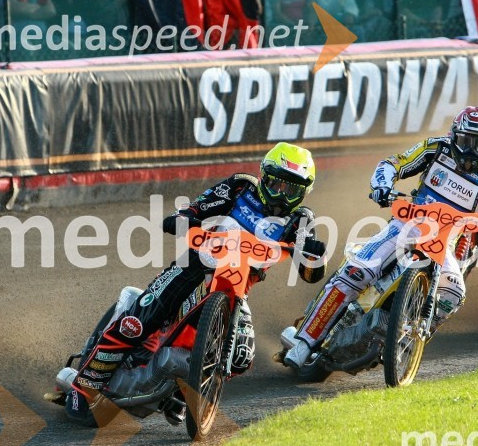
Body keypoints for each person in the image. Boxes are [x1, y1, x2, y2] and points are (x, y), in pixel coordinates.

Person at [64, 143, 328, 426]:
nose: (281, 195)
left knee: (241, 356)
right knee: (138, 322)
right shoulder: (241, 187)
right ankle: (84, 387)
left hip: (236, 288)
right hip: (194, 265)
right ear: (264, 176)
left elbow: (311, 274)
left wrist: (314, 254)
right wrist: (184, 218)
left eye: (291, 189)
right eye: (276, 184)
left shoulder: (301, 219)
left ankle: (183, 389)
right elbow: (199, 207)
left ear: (304, 192)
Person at [283, 106, 478, 369]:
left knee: (454, 293)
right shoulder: (435, 147)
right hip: (406, 224)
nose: (469, 151)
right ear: (454, 135)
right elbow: (393, 163)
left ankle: (407, 340)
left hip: (445, 242)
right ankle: (305, 341)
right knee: (356, 271)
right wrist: (382, 187)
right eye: (464, 141)